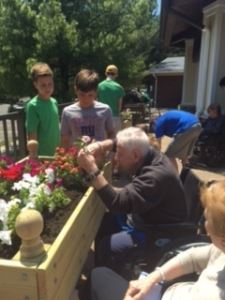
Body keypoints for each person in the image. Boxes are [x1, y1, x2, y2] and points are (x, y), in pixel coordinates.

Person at [91, 180, 225, 300]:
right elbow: (194, 258)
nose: (205, 228)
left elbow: (118, 202)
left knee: (99, 275)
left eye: (207, 220)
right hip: (174, 289)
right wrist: (153, 278)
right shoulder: (221, 250)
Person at [78, 127, 187, 272]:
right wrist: (101, 146)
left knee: (106, 246)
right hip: (148, 215)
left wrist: (92, 169)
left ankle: (106, 280)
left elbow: (117, 204)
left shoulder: (155, 176)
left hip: (157, 232)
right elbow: (121, 142)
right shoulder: (149, 153)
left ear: (135, 155)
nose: (116, 158)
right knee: (105, 221)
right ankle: (102, 269)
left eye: (120, 154)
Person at [61, 69, 115, 149]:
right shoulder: (67, 112)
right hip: (76, 158)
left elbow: (111, 134)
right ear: (76, 90)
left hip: (99, 158)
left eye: (90, 95)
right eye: (82, 95)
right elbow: (65, 138)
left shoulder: (105, 109)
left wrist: (104, 148)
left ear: (96, 92)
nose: (86, 99)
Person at [26, 62, 60, 156]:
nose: (47, 88)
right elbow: (32, 134)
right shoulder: (33, 105)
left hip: (57, 153)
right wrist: (34, 156)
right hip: (42, 156)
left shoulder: (54, 101)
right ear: (35, 85)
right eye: (43, 85)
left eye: (50, 84)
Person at [98, 65, 125, 133]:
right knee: (115, 141)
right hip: (114, 117)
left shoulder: (99, 86)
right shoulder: (119, 87)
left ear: (106, 73)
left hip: (101, 117)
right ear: (116, 75)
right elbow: (119, 106)